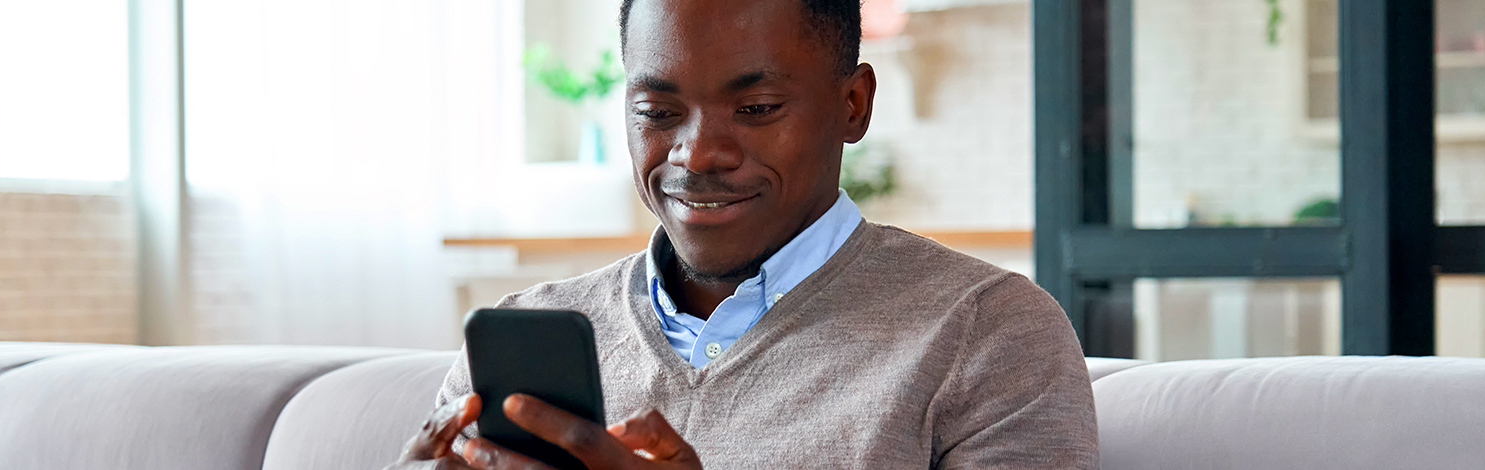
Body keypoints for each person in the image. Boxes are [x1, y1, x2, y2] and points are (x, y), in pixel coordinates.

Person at [388, 0, 1097, 468]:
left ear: (853, 105)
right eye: (657, 111)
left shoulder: (990, 333)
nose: (695, 155)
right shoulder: (523, 333)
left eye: (756, 107)